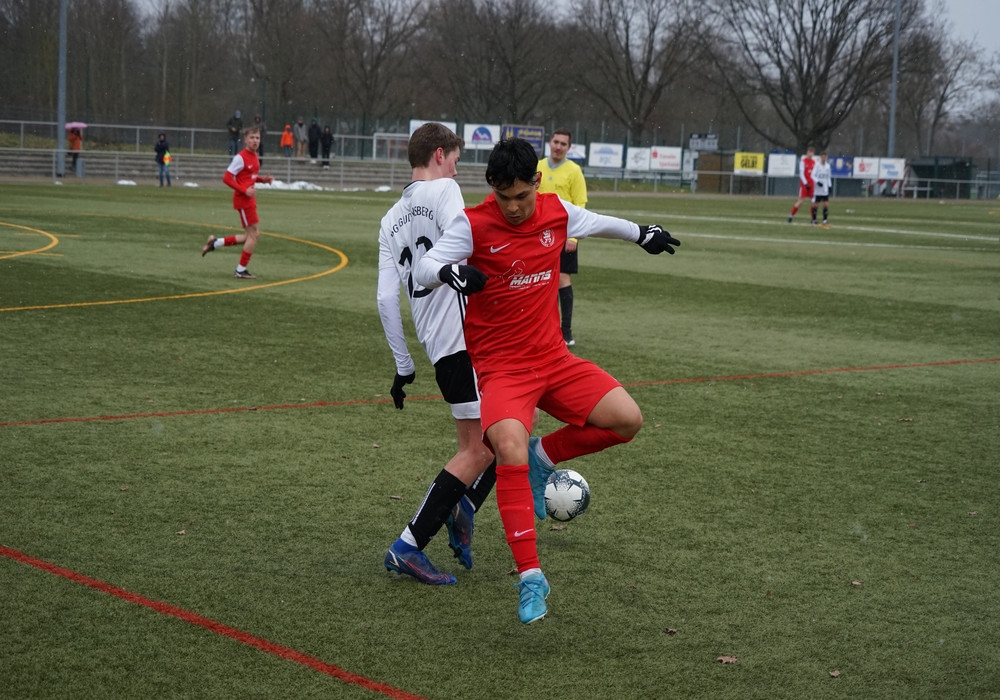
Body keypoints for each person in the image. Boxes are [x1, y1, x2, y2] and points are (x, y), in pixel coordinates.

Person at [413, 137, 680, 624]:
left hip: (554, 361)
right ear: (491, 188)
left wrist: (643, 233)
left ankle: (545, 457)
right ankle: (531, 576)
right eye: (504, 197)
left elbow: (596, 221)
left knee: (627, 420)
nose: (513, 208)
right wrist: (450, 272)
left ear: (537, 182)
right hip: (503, 372)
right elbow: (424, 268)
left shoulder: (556, 212)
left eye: (522, 196)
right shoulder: (473, 223)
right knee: (507, 447)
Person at [377, 122, 498, 586]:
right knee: (479, 449)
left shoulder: (389, 219)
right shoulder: (445, 190)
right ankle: (409, 545)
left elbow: (387, 299)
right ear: (441, 155)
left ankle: (462, 506)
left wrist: (403, 365)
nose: (457, 169)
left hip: (438, 348)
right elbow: (467, 242)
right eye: (456, 160)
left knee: (505, 434)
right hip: (467, 340)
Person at [201, 126, 274, 279]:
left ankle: (215, 243)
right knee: (254, 235)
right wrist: (244, 190)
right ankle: (240, 270)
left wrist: (263, 180)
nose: (255, 141)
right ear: (245, 140)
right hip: (244, 201)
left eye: (257, 138)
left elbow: (250, 177)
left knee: (250, 236)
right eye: (252, 138)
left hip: (248, 200)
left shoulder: (254, 156)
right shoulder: (240, 157)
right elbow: (227, 178)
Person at [537, 128, 588, 347]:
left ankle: (565, 331)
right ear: (550, 142)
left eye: (563, 144)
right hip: (538, 234)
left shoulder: (574, 171)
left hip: (564, 234)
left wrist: (574, 238)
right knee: (538, 282)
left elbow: (580, 204)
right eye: (556, 142)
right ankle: (541, 329)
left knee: (562, 280)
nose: (558, 146)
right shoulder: (538, 166)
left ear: (568, 147)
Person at [788, 145, 815, 223]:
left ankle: (813, 218)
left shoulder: (814, 162)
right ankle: (791, 215)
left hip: (812, 184)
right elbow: (801, 173)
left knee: (813, 202)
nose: (811, 154)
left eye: (812, 153)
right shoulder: (803, 161)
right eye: (809, 152)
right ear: (807, 153)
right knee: (801, 201)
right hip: (804, 185)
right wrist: (806, 183)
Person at [811, 150, 832, 228]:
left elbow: (828, 177)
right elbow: (812, 175)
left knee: (826, 204)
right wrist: (817, 181)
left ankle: (825, 220)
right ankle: (814, 220)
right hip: (818, 188)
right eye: (822, 157)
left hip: (825, 188)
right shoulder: (817, 165)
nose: (824, 158)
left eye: (825, 157)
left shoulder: (828, 166)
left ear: (826, 158)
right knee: (816, 204)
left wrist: (830, 186)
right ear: (820, 157)